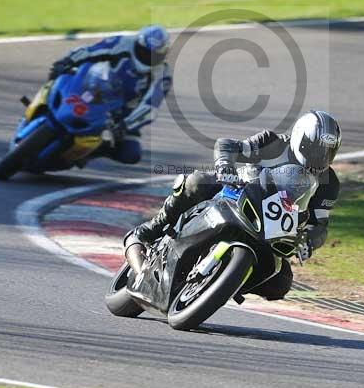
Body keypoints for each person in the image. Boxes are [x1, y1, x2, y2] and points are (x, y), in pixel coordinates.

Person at [124, 110, 341, 300]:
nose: (320, 157)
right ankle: (151, 229)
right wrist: (225, 165)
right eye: (315, 150)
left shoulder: (329, 182)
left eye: (327, 152)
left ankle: (225, 281)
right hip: (236, 193)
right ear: (299, 139)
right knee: (197, 182)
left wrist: (309, 240)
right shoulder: (274, 144)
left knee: (280, 283)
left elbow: (319, 224)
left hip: (271, 230)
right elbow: (228, 145)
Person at [48, 26, 171, 165]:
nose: (148, 58)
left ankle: (86, 153)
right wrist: (65, 62)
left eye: (154, 56)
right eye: (144, 52)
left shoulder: (163, 76)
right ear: (137, 43)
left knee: (131, 153)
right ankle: (44, 104)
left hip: (120, 114)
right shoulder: (121, 43)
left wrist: (126, 125)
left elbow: (149, 109)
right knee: (61, 77)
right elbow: (90, 51)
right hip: (94, 88)